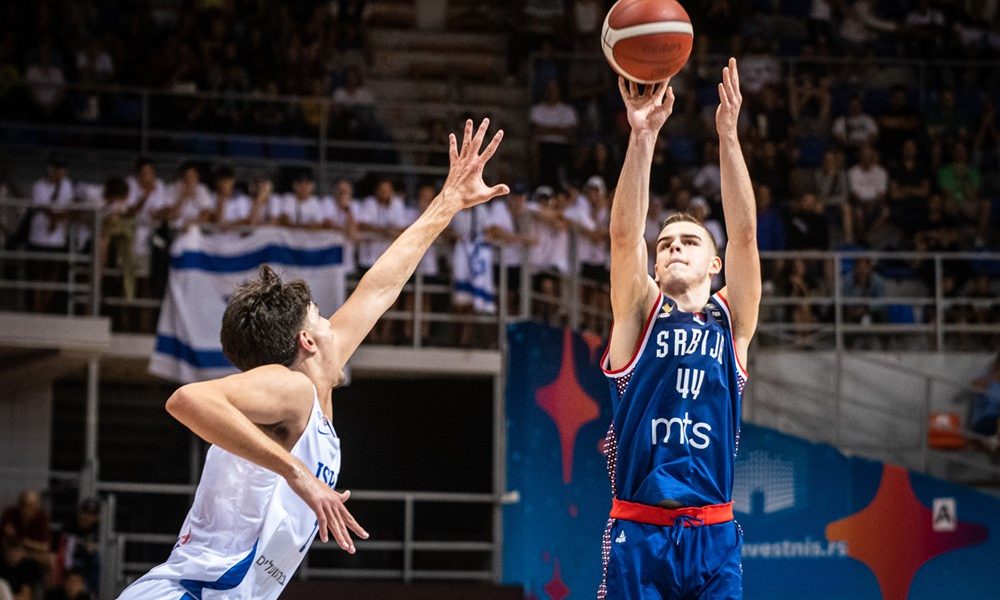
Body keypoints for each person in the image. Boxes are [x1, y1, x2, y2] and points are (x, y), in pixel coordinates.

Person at [116, 118, 508, 600]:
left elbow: (380, 287)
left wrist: (448, 202)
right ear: (305, 341)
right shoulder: (292, 389)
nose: (334, 323)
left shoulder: (309, 391)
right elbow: (186, 399)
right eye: (322, 316)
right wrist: (298, 474)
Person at [598, 58, 759, 600]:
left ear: (715, 265)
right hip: (640, 530)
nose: (673, 248)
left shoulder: (730, 319)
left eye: (689, 242)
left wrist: (729, 137)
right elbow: (624, 237)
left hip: (713, 533)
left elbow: (745, 235)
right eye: (666, 244)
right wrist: (642, 137)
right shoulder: (640, 311)